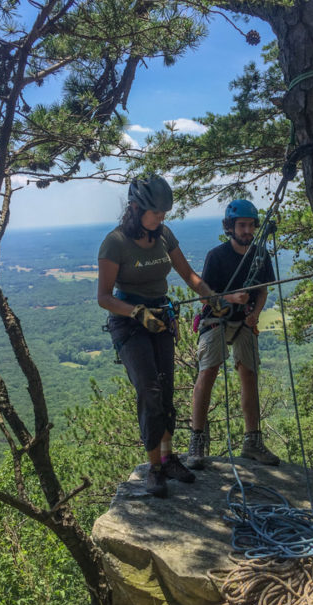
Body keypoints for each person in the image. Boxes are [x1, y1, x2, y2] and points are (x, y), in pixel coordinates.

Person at [97, 174, 219, 498]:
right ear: (136, 208)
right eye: (157, 212)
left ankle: (168, 459)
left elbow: (188, 274)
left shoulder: (164, 234)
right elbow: (104, 297)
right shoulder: (115, 242)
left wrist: (209, 294)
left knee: (165, 391)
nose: (162, 217)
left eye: (165, 212)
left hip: (162, 317)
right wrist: (136, 312)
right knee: (149, 391)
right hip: (129, 322)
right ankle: (154, 468)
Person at [188, 199, 280, 469]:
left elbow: (262, 290)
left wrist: (255, 313)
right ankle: (197, 439)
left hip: (243, 321)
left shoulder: (261, 255)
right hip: (215, 319)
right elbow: (207, 298)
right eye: (242, 225)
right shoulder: (217, 256)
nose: (247, 230)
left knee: (249, 374)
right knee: (209, 370)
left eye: (251, 225)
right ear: (230, 227)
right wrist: (231, 298)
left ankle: (252, 440)